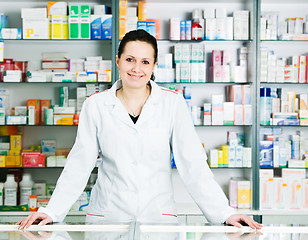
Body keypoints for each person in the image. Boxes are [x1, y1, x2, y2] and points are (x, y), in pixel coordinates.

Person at [17, 29, 262, 230]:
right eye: (130, 59)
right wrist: (51, 211)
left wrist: (224, 212)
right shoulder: (96, 104)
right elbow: (79, 164)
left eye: (145, 61)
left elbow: (193, 165)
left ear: (154, 65)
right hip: (108, 218)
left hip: (158, 218)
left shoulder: (172, 103)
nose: (136, 68)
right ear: (118, 60)